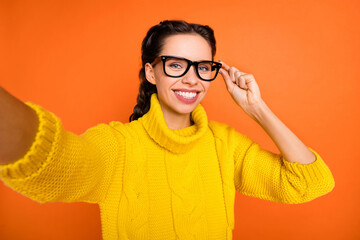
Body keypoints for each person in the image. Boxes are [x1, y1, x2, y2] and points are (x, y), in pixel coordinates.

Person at [0, 20, 335, 240]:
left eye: (203, 67)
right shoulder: (117, 146)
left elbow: (309, 183)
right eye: (176, 65)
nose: (192, 78)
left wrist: (256, 109)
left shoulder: (226, 145)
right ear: (151, 72)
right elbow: (54, 165)